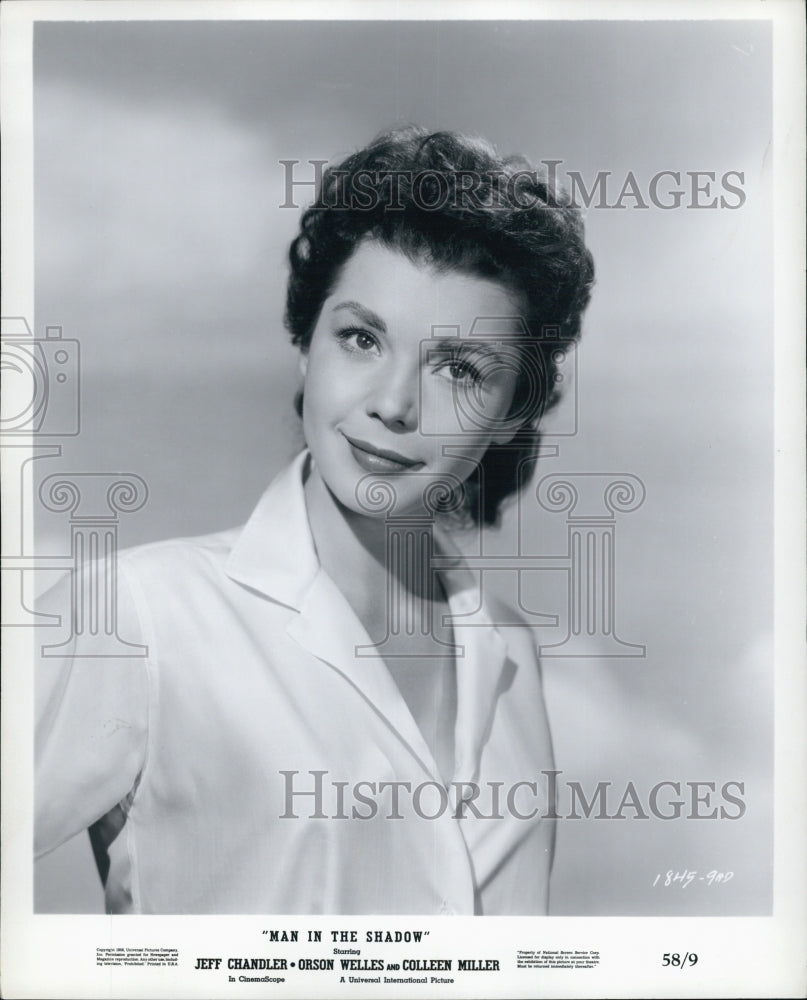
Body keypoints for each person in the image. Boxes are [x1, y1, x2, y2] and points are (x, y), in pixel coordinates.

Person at [35, 126, 595, 915]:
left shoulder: (507, 653)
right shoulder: (139, 614)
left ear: (514, 411)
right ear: (306, 346)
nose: (393, 404)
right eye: (361, 339)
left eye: (459, 368)